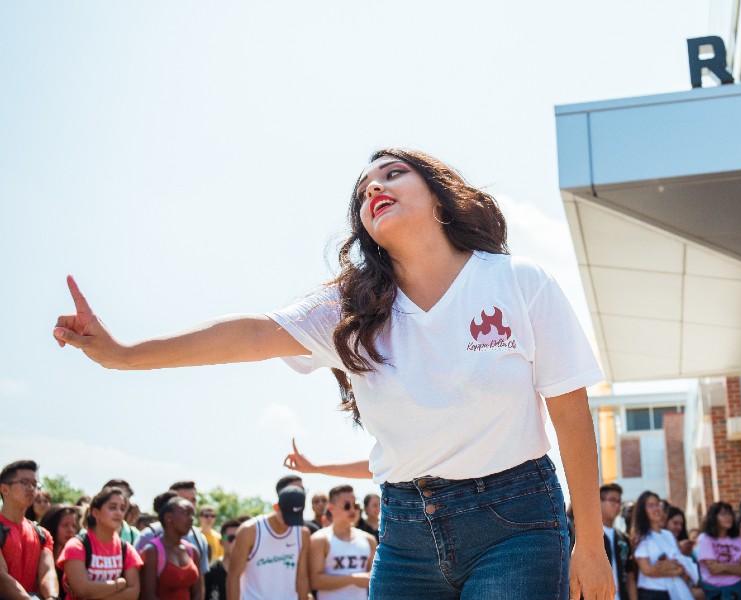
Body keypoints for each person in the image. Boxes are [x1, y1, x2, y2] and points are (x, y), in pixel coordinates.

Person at [54, 147, 614, 599]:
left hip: (517, 523)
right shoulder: (348, 309)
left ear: (440, 195)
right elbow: (250, 334)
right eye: (363, 190)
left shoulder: (519, 282)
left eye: (393, 174)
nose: (375, 187)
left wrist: (589, 545)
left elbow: (569, 414)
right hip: (405, 531)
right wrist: (121, 353)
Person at [226, 484, 311, 600]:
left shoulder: (302, 533)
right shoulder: (250, 531)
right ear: (276, 507)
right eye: (287, 517)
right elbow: (234, 576)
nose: (289, 523)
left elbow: (302, 577)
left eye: (295, 517)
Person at [57, 486, 142, 600]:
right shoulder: (76, 546)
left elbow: (133, 593)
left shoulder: (126, 549)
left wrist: (95, 593)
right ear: (96, 513)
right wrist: (119, 584)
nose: (119, 513)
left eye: (122, 508)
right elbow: (83, 590)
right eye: (112, 507)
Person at [0, 459, 59, 600]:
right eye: (24, 482)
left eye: (34, 484)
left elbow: (48, 572)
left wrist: (52, 597)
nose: (31, 488)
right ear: (4, 489)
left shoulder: (42, 534)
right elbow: (2, 577)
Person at [310, 485, 377, 600]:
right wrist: (352, 579)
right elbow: (315, 581)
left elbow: (375, 576)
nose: (352, 510)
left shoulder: (369, 540)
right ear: (331, 508)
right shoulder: (320, 539)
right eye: (347, 506)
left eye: (355, 505)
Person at [631, 491, 697, 600]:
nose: (656, 509)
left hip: (673, 590)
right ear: (643, 511)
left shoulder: (668, 535)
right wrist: (673, 569)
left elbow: (680, 566)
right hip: (651, 593)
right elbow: (647, 570)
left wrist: (665, 566)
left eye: (658, 504)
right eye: (651, 506)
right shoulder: (641, 536)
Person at [136, 481, 210, 576]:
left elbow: (201, 578)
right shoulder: (148, 536)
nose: (190, 505)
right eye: (184, 500)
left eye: (193, 500)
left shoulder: (199, 538)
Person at [140, 491, 203, 600]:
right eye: (186, 513)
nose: (192, 519)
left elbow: (198, 593)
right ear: (168, 517)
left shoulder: (192, 551)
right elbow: (148, 596)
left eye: (192, 514)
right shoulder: (152, 552)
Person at [695, 502, 741, 599]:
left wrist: (723, 567)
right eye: (723, 514)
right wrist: (737, 569)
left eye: (729, 514)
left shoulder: (738, 539)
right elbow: (713, 570)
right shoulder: (705, 538)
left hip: (738, 591)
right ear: (713, 518)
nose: (728, 517)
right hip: (714, 593)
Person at [599, 483, 635, 600]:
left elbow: (630, 575)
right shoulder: (589, 535)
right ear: (599, 502)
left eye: (619, 501)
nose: (617, 505)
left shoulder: (623, 538)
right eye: (612, 500)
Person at [40, 505, 81, 599]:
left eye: (74, 526)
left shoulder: (77, 560)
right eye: (65, 525)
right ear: (53, 525)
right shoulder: (39, 556)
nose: (71, 530)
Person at [204, 518, 240, 600]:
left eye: (239, 539)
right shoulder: (209, 572)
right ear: (221, 542)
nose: (235, 542)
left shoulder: (249, 571)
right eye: (231, 538)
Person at [102, 479, 140, 546]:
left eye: (126, 496)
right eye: (112, 506)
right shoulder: (85, 538)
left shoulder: (135, 536)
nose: (122, 500)